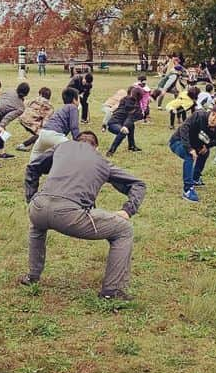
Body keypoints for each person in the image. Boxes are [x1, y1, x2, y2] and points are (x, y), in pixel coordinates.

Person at [20, 131, 146, 301]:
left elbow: (33, 166)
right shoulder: (102, 161)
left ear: (75, 141)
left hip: (39, 208)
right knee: (124, 230)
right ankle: (112, 291)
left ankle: (32, 277)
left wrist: (31, 198)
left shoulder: (61, 147)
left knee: (38, 225)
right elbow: (138, 183)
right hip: (70, 215)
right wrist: (128, 210)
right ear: (96, 147)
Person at [169, 104, 216, 202]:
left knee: (205, 153)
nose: (212, 119)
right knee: (190, 155)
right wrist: (189, 148)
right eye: (213, 115)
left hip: (195, 146)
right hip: (178, 142)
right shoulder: (199, 116)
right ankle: (188, 190)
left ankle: (195, 178)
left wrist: (207, 146)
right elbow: (184, 129)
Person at [31, 87, 81, 159]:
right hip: (56, 135)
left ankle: (31, 169)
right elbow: (74, 127)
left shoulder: (61, 108)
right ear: (74, 100)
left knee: (37, 153)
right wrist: (79, 143)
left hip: (43, 133)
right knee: (71, 153)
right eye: (78, 98)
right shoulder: (73, 107)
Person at [0, 81, 31, 159]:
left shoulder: (9, 91)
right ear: (26, 94)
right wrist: (1, 126)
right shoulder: (21, 107)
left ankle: (1, 153)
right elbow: (8, 117)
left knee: (1, 133)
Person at [106, 88, 142, 156]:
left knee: (131, 125)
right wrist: (125, 126)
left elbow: (132, 117)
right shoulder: (133, 105)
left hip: (118, 122)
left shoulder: (127, 100)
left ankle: (132, 146)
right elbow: (130, 117)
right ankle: (111, 151)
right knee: (123, 131)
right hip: (114, 124)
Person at [16, 86, 54, 151]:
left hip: (22, 119)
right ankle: (24, 145)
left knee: (38, 133)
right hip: (31, 121)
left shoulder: (34, 99)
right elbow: (46, 120)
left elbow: (24, 104)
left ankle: (29, 146)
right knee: (42, 133)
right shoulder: (49, 106)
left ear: (40, 94)